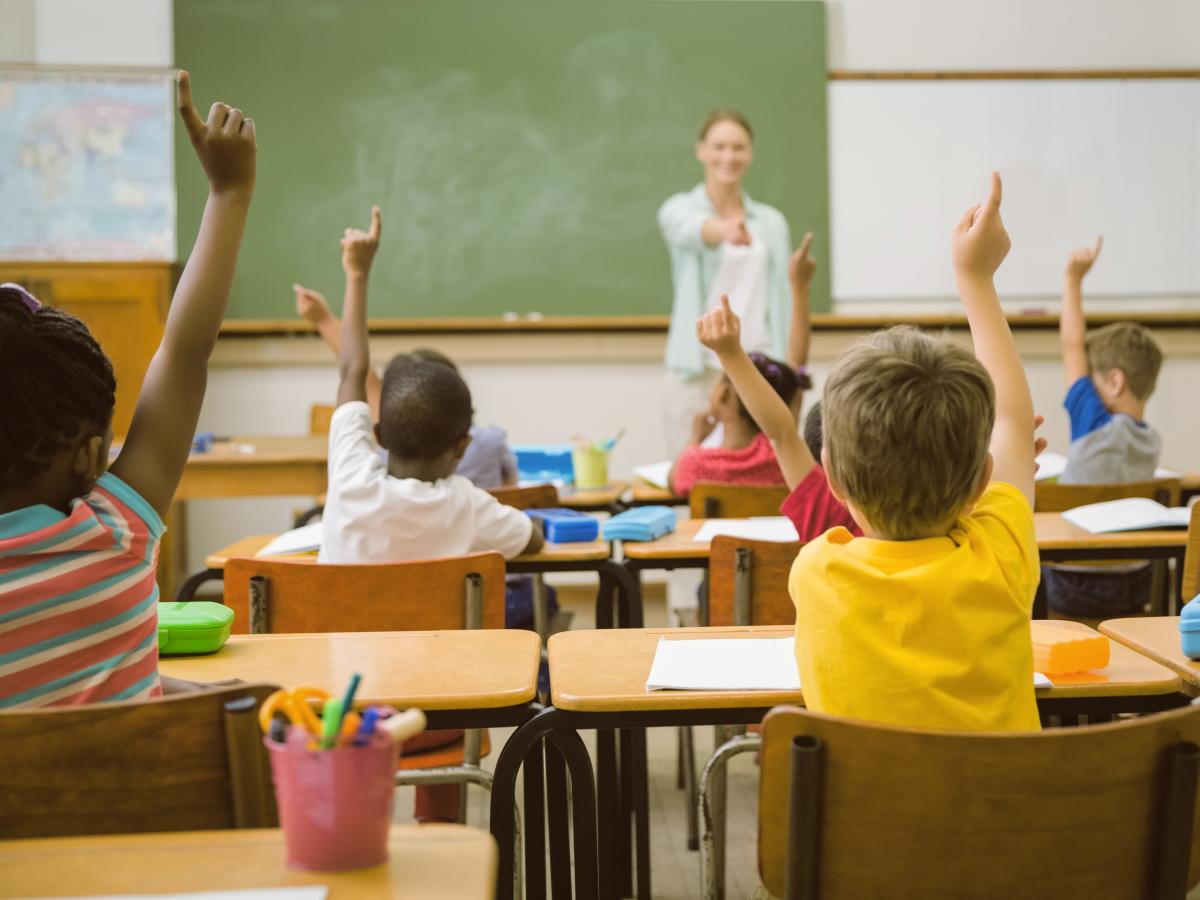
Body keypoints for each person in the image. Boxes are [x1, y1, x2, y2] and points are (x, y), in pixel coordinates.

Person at [0, 72, 256, 707]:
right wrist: (230, 190)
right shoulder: (115, 534)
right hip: (146, 812)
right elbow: (186, 351)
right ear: (90, 458)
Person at [787, 173, 1041, 731]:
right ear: (981, 482)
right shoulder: (1001, 556)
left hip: (865, 823)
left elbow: (1011, 429)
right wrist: (975, 278)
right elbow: (1015, 425)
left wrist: (972, 272)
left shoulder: (817, 571)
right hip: (1012, 820)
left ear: (830, 474)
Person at [319, 205, 544, 820]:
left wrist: (357, 273)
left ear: (379, 431)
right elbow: (534, 542)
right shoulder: (466, 504)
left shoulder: (350, 478)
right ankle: (442, 838)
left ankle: (346, 838)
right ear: (464, 448)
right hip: (441, 721)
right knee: (443, 681)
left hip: (338, 715)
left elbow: (350, 369)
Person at [657, 108, 802, 460]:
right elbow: (689, 230)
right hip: (698, 368)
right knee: (691, 471)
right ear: (701, 150)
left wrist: (789, 369)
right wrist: (724, 230)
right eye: (719, 146)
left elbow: (782, 298)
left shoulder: (771, 223)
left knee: (760, 473)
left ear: (750, 154)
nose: (728, 156)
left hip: (757, 366)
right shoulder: (678, 209)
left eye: (738, 147)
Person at [295, 286, 518, 489]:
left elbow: (357, 375)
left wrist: (324, 319)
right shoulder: (491, 442)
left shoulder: (373, 475)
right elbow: (512, 494)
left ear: (381, 432)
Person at [1047, 236, 1164, 618]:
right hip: (1135, 581)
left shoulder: (1094, 423)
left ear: (1113, 382)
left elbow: (1071, 346)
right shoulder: (1151, 442)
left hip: (1073, 582)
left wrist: (1072, 281)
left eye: (1093, 381)